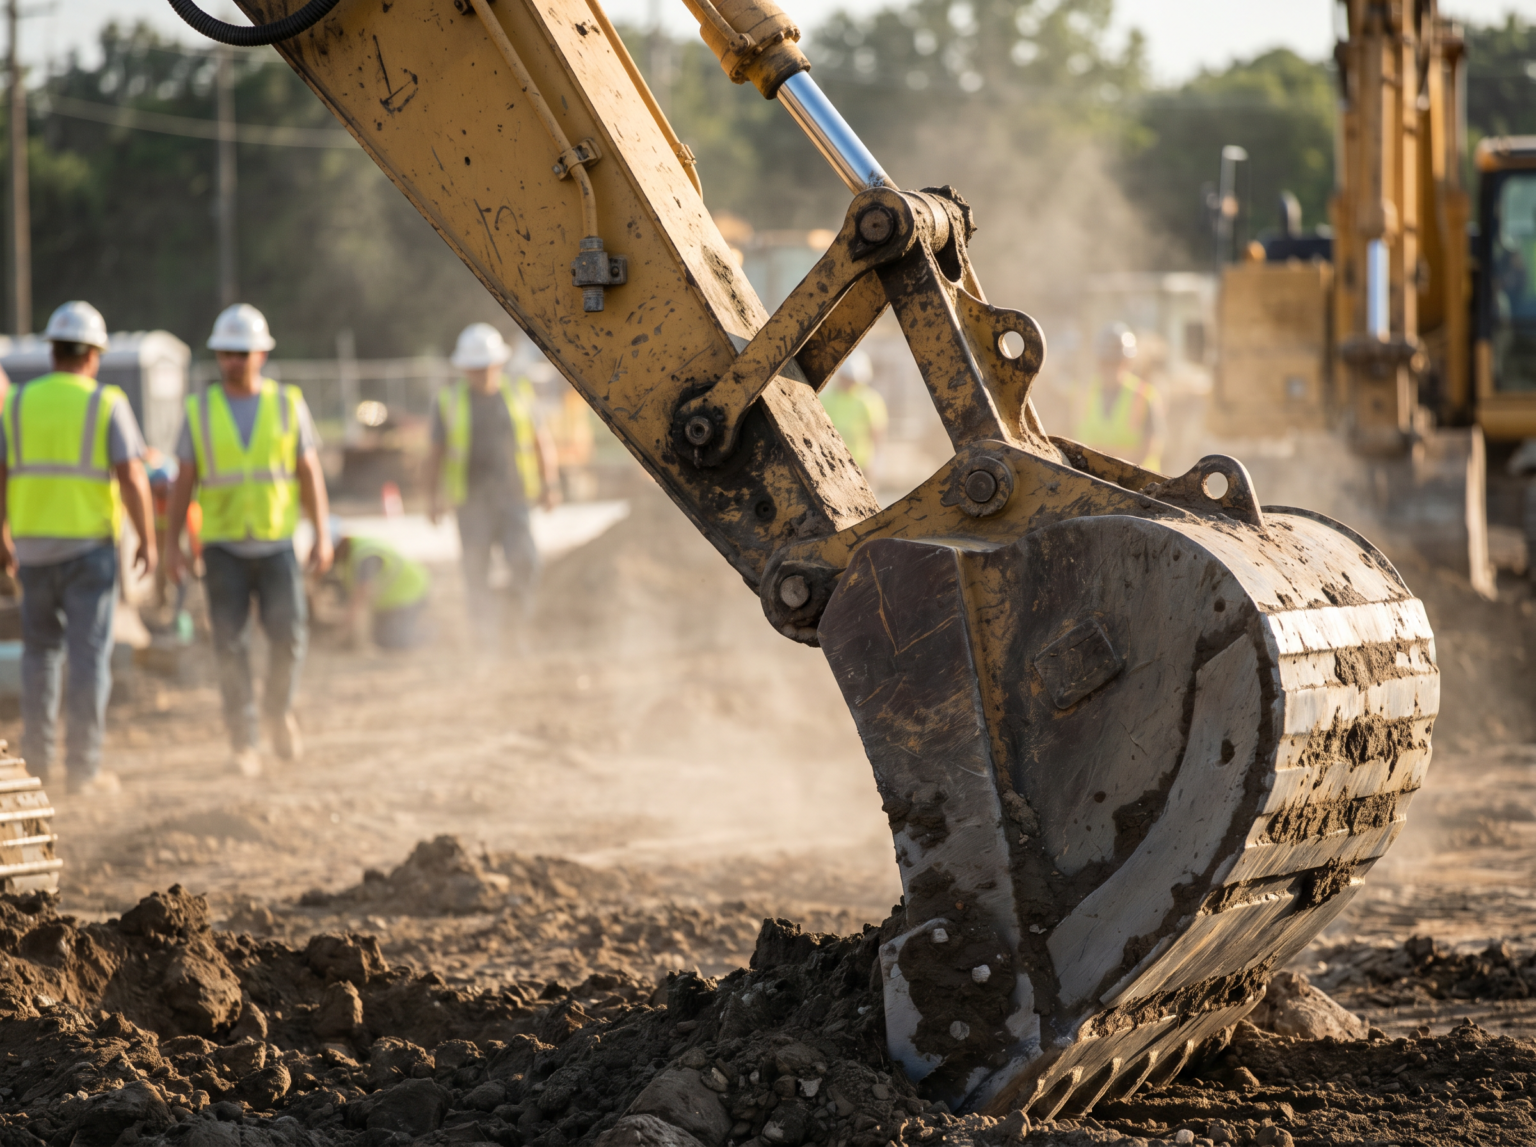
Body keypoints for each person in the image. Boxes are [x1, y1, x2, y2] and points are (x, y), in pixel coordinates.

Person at [165, 304, 332, 778]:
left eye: (241, 352)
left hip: (276, 542)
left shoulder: (287, 404)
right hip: (221, 547)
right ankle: (244, 741)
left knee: (290, 636)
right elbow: (183, 481)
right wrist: (170, 545)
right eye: (225, 353)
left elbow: (309, 473)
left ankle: (278, 711)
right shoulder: (199, 410)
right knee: (230, 646)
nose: (233, 361)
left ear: (261, 353)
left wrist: (321, 534)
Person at [0, 301, 156, 795]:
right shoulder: (105, 402)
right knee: (88, 658)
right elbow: (132, 475)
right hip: (90, 550)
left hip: (33, 553)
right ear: (93, 355)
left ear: (52, 352)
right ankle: (84, 772)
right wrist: (148, 539)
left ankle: (39, 768)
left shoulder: (17, 404)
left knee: (40, 656)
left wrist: (2, 536)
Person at [427, 323, 558, 653]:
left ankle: (515, 632)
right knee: (476, 575)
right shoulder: (449, 401)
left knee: (526, 563)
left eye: (485, 367)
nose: (481, 373)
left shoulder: (518, 395)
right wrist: (431, 498)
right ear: (464, 369)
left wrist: (550, 483)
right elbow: (434, 455)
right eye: (474, 368)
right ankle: (484, 644)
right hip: (471, 504)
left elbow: (541, 442)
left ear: (498, 364)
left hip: (514, 498)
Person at [1070, 322, 1167, 473]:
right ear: (1099, 362)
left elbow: (1151, 446)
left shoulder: (1143, 395)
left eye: (1116, 362)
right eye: (1106, 362)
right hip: (1091, 479)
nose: (1111, 367)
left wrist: (1119, 474)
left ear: (1128, 362)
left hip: (1137, 485)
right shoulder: (1083, 394)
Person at [332, 521, 432, 650]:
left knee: (393, 642)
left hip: (411, 594)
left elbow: (361, 593)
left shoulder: (365, 554)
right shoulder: (352, 552)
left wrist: (346, 628)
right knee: (379, 638)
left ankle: (428, 632)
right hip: (392, 601)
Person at [819, 349, 888, 476]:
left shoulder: (870, 400)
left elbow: (877, 431)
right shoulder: (825, 399)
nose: (849, 382)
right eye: (847, 378)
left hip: (861, 464)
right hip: (831, 462)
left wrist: (877, 459)